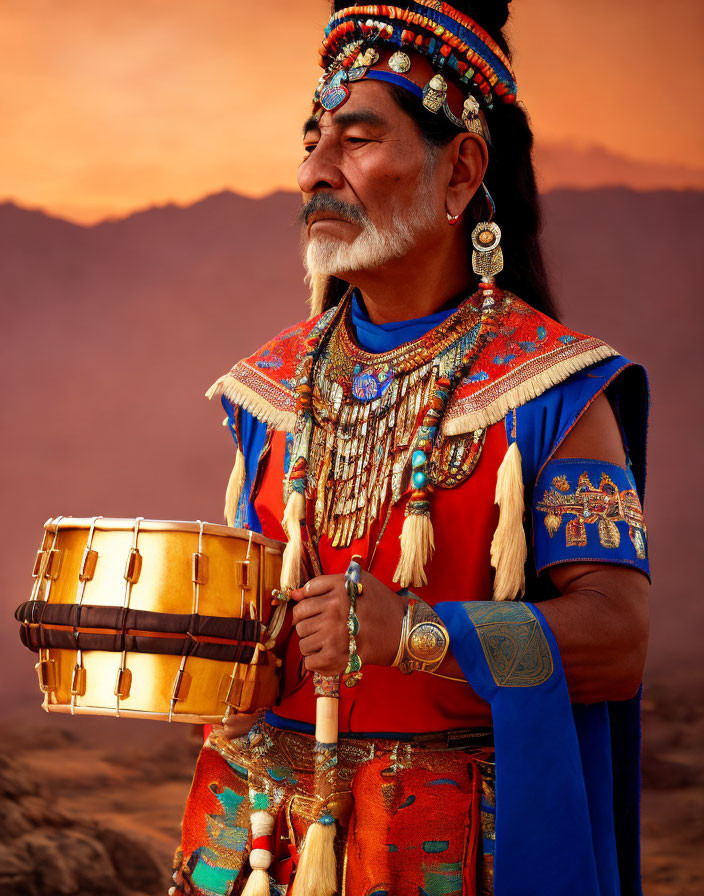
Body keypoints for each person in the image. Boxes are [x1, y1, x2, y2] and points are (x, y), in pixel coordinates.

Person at [172, 3, 650, 894]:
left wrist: (422, 633)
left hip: (447, 851)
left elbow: (616, 643)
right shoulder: (266, 389)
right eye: (311, 141)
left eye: (354, 140)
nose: (316, 171)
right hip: (258, 841)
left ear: (461, 171)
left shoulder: (549, 392)